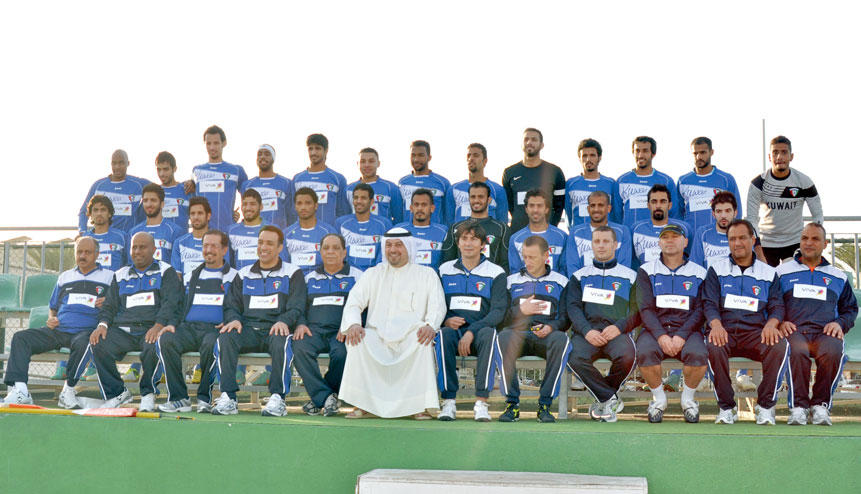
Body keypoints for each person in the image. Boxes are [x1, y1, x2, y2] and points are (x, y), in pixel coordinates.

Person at [339, 227, 446, 419]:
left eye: (398, 245)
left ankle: (418, 406)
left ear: (409, 248)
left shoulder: (426, 274)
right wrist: (354, 324)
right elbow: (354, 302)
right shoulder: (373, 274)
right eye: (388, 245)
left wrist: (430, 325)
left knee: (422, 341)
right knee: (358, 340)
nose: (393, 250)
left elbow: (437, 305)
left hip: (412, 335)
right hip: (377, 336)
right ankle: (363, 404)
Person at [2, 237, 114, 408]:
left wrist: (108, 301)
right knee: (21, 337)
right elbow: (53, 306)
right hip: (59, 330)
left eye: (87, 252)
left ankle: (68, 391)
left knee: (85, 342)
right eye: (79, 252)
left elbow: (117, 305)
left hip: (85, 332)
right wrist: (52, 318)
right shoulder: (65, 277)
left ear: (97, 254)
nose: (82, 256)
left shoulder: (109, 277)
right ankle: (21, 390)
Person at [212, 226, 307, 416]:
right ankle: (228, 397)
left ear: (280, 248)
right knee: (225, 338)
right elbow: (231, 305)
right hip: (248, 330)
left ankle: (277, 398)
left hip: (276, 328)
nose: (263, 247)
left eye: (270, 243)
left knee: (282, 341)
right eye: (261, 242)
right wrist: (234, 319)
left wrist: (284, 321)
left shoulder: (292, 272)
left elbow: (297, 306)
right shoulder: (244, 274)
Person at [703, 219, 787, 425]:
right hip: (725, 331)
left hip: (756, 333)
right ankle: (726, 407)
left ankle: (765, 406)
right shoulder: (716, 269)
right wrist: (716, 325)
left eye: (742, 238)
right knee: (712, 345)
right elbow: (709, 303)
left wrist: (771, 324)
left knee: (779, 346)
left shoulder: (768, 272)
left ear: (753, 240)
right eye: (732, 239)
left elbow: (777, 305)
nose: (737, 243)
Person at [88, 232, 183, 409]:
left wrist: (158, 325)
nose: (137, 251)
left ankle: (148, 393)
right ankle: (117, 393)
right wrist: (102, 325)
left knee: (155, 345)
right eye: (134, 247)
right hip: (124, 330)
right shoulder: (120, 274)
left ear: (154, 249)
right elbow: (109, 306)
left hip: (150, 328)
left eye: (142, 247)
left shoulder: (165, 271)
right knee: (98, 342)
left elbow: (170, 303)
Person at [777, 223, 858, 426]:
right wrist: (780, 322)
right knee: (796, 351)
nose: (808, 243)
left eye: (815, 239)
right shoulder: (781, 272)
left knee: (834, 350)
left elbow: (850, 309)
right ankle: (799, 407)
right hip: (795, 330)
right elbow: (771, 304)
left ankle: (820, 406)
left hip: (825, 332)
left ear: (825, 244)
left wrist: (839, 323)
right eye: (805, 238)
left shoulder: (838, 276)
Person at [153, 230, 239, 413]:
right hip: (189, 328)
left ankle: (204, 398)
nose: (209, 250)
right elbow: (180, 306)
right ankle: (179, 399)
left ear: (224, 250)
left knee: (211, 344)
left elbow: (238, 306)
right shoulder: (192, 275)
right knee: (166, 340)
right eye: (205, 245)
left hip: (215, 329)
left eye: (214, 246)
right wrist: (172, 324)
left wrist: (230, 320)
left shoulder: (234, 276)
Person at [635, 224, 708, 423]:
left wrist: (681, 335)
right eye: (665, 237)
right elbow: (645, 308)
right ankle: (659, 400)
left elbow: (700, 310)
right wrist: (661, 336)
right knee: (644, 352)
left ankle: (688, 401)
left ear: (685, 242)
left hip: (688, 330)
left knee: (699, 354)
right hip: (655, 330)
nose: (669, 240)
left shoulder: (700, 272)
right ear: (659, 243)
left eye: (675, 237)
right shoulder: (646, 270)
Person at [436, 221, 508, 421]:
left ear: (483, 244)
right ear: (458, 243)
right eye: (464, 239)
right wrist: (446, 320)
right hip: (453, 331)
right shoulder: (444, 270)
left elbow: (498, 311)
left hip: (480, 331)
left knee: (490, 334)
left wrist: (471, 331)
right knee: (443, 335)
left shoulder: (496, 272)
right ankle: (448, 401)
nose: (468, 243)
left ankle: (481, 403)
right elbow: (435, 304)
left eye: (474, 239)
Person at [566, 226, 638, 423]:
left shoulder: (630, 276)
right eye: (597, 241)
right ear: (591, 245)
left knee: (627, 356)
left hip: (616, 333)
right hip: (587, 334)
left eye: (606, 241)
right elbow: (573, 308)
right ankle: (609, 398)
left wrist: (619, 327)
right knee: (572, 355)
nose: (601, 245)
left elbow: (637, 311)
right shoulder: (579, 276)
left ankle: (602, 400)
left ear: (616, 245)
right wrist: (587, 331)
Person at [496, 235, 571, 423]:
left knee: (561, 340)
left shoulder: (561, 281)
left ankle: (545, 404)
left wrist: (551, 327)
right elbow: (501, 318)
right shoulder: (511, 281)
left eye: (532, 257)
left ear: (546, 255)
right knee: (503, 337)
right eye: (525, 257)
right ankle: (512, 404)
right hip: (518, 335)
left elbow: (565, 318)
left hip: (546, 337)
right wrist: (521, 310)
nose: (527, 262)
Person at [293, 234, 363, 417]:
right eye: (326, 248)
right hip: (313, 331)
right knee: (299, 348)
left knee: (342, 354)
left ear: (344, 252)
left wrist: (349, 325)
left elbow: (364, 307)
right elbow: (298, 306)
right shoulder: (309, 278)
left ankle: (322, 397)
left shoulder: (357, 276)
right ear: (320, 251)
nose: (330, 252)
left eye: (336, 248)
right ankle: (326, 397)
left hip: (341, 332)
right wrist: (300, 324)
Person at [746, 135, 823, 266]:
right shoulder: (757, 183)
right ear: (769, 157)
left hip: (795, 242)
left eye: (784, 152)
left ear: (791, 156)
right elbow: (751, 218)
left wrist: (811, 240)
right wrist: (757, 247)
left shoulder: (804, 182)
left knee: (795, 279)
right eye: (775, 152)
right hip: (767, 243)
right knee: (768, 278)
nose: (779, 157)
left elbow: (818, 215)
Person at [502, 128, 566, 232]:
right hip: (518, 232)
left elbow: (559, 206)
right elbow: (510, 205)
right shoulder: (509, 172)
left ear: (542, 145)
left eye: (534, 139)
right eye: (526, 139)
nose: (529, 142)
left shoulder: (555, 172)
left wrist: (551, 226)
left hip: (546, 233)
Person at [677, 137, 742, 235]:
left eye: (703, 152)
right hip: (692, 238)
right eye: (695, 153)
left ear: (711, 152)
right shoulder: (683, 181)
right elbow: (678, 213)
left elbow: (737, 211)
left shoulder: (726, 179)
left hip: (720, 236)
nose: (699, 157)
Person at [190, 125, 248, 231]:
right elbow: (191, 199)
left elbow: (250, 197)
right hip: (203, 233)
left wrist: (243, 217)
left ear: (224, 143)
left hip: (227, 232)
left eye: (216, 143)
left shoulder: (236, 170)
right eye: (208, 143)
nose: (212, 147)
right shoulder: (196, 171)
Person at [441, 182, 510, 271]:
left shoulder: (502, 228)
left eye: (481, 197)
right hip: (463, 278)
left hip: (491, 278)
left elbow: (505, 263)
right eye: (473, 197)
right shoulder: (456, 228)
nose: (476, 200)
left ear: (489, 200)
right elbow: (448, 262)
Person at [617, 136, 681, 230]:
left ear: (653, 154)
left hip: (659, 235)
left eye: (645, 151)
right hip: (631, 235)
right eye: (637, 151)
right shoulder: (622, 181)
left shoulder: (666, 181)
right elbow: (616, 215)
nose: (640, 155)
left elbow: (674, 213)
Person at [78, 149, 149, 233]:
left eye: (121, 163)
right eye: (114, 163)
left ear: (128, 163)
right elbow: (84, 211)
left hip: (128, 237)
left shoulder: (139, 184)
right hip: (104, 236)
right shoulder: (98, 186)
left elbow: (159, 191)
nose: (117, 167)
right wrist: (82, 231)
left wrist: (141, 218)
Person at [565, 190, 633, 274]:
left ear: (609, 208)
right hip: (583, 281)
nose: (596, 209)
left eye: (600, 205)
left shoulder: (623, 232)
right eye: (592, 206)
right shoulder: (575, 233)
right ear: (588, 209)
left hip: (614, 281)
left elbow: (624, 267)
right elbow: (572, 268)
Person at [292, 133, 351, 226]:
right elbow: (292, 211)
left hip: (329, 233)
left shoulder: (338, 179)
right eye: (310, 149)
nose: (313, 153)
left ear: (326, 150)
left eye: (318, 148)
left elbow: (343, 212)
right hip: (303, 233)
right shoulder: (297, 179)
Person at [508, 189, 567, 276]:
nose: (535, 210)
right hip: (526, 284)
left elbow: (564, 270)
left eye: (539, 206)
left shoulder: (562, 237)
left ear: (546, 209)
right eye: (531, 206)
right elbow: (515, 273)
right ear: (526, 209)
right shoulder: (515, 239)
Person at [445, 143, 508, 224]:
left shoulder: (497, 190)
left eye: (476, 155)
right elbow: (449, 222)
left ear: (485, 161)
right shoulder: (454, 189)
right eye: (469, 156)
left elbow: (502, 222)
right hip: (461, 232)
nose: (471, 158)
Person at [564, 138, 621, 227]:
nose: (588, 159)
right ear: (579, 158)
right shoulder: (570, 184)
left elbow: (617, 215)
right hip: (580, 234)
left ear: (599, 158)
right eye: (584, 156)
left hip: (605, 233)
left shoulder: (611, 184)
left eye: (592, 155)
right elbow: (568, 215)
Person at [336, 183, 392, 270]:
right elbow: (337, 252)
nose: (359, 201)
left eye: (363, 198)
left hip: (374, 273)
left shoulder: (384, 224)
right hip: (348, 273)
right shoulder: (341, 223)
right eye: (356, 198)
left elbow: (385, 253)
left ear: (372, 201)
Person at [632, 184, 691, 267]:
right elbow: (632, 260)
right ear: (648, 205)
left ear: (669, 205)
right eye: (654, 202)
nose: (658, 206)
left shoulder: (684, 228)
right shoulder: (636, 229)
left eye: (663, 201)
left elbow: (689, 257)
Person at [129, 184, 186, 268]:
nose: (149, 204)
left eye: (153, 200)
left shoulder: (174, 231)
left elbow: (177, 265)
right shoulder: (133, 232)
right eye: (145, 200)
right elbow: (130, 263)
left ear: (162, 204)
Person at [284, 188, 338, 274]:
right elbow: (284, 264)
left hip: (321, 279)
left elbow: (335, 262)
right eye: (299, 203)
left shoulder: (329, 232)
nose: (303, 207)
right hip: (294, 279)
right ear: (295, 206)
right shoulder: (286, 234)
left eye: (308, 203)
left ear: (316, 205)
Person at [241, 144, 294, 231]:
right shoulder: (247, 185)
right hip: (253, 234)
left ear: (273, 158)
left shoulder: (286, 183)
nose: (262, 157)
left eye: (267, 154)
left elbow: (291, 214)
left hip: (277, 235)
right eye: (259, 154)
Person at [398, 140, 451, 224]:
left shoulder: (442, 183)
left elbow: (449, 214)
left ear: (429, 157)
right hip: (407, 231)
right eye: (413, 155)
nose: (416, 159)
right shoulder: (402, 182)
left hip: (434, 231)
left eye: (421, 155)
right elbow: (399, 213)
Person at [345, 147, 403, 224]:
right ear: (358, 164)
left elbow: (399, 219)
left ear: (378, 163)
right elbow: (344, 217)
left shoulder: (391, 188)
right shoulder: (348, 189)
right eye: (363, 161)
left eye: (371, 161)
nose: (367, 165)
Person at [394, 188, 449, 270]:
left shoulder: (443, 232)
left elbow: (447, 263)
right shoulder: (398, 230)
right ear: (411, 208)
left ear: (432, 208)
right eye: (416, 205)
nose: (419, 208)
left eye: (424, 205)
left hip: (432, 277)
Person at [172, 197, 218, 284]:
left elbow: (223, 274)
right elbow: (177, 277)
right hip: (187, 291)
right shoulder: (179, 243)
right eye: (192, 214)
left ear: (208, 216)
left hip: (211, 291)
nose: (196, 217)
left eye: (200, 213)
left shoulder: (219, 241)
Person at [690, 191, 738, 269]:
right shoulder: (702, 234)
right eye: (719, 211)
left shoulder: (743, 233)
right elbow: (695, 267)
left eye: (727, 211)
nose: (723, 216)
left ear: (735, 213)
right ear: (713, 214)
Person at [84, 195, 129, 272]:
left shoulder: (122, 237)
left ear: (109, 214)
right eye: (95, 210)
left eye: (103, 210)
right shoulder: (85, 238)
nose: (99, 213)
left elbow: (128, 264)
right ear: (90, 214)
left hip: (114, 279)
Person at [228, 188, 267, 270]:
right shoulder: (231, 231)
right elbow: (228, 263)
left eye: (253, 204)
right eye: (245, 204)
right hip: (241, 278)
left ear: (261, 207)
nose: (248, 208)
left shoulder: (272, 229)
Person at [155, 151, 192, 232]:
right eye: (159, 169)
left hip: (181, 238)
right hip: (159, 239)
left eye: (166, 169)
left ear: (174, 169)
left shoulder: (186, 190)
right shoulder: (154, 192)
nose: (162, 174)